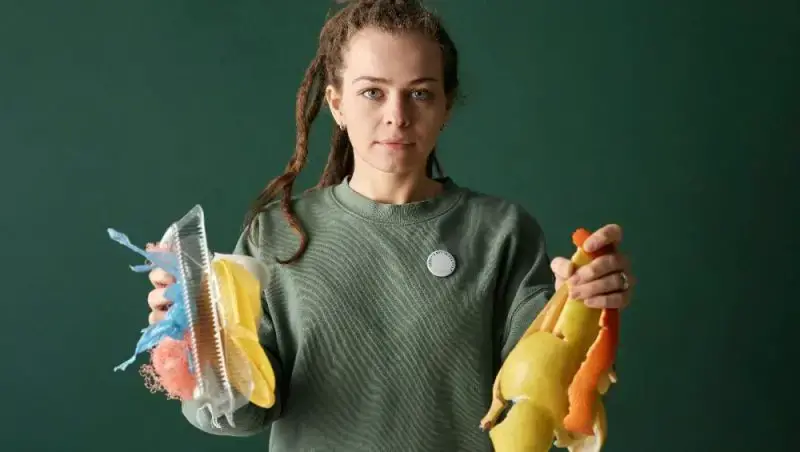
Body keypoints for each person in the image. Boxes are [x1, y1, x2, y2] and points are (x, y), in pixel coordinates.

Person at [145, 0, 635, 450]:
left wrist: (586, 303)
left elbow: (542, 392)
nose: (396, 116)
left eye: (419, 93)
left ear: (446, 106)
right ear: (337, 104)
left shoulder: (501, 231)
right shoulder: (277, 234)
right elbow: (246, 411)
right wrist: (192, 338)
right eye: (372, 93)